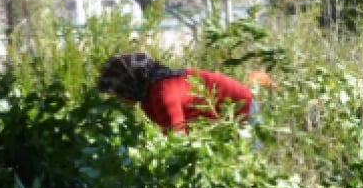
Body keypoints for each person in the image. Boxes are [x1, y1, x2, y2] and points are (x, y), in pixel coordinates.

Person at [96, 52, 254, 133]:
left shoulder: (163, 94)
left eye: (118, 92)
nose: (119, 98)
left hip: (243, 110)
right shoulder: (149, 98)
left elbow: (178, 140)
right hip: (225, 118)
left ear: (130, 84)